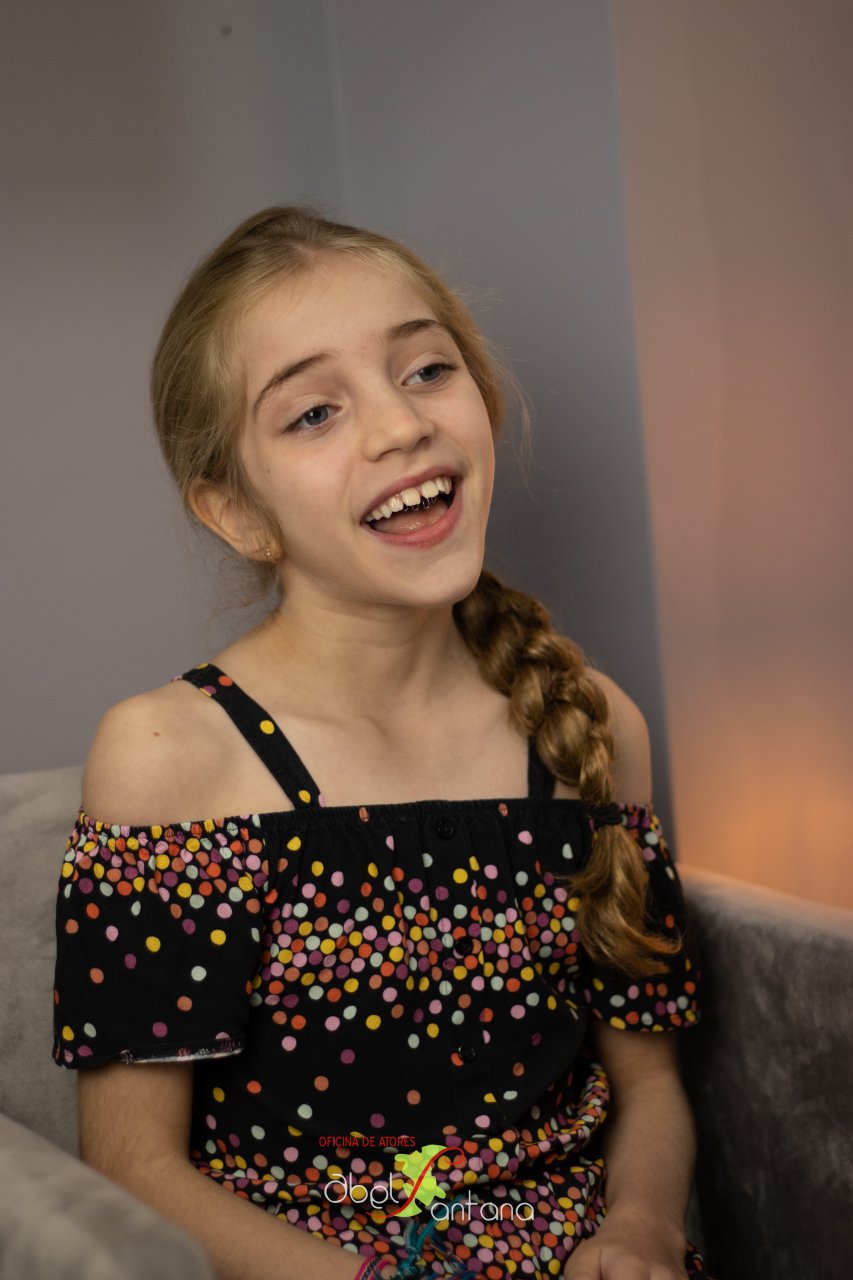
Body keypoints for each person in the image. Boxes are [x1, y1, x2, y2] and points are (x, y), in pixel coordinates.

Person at [52, 207, 709, 1280]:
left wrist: (637, 1229)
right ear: (237, 510)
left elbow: (650, 1088)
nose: (400, 426)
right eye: (314, 412)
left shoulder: (590, 725)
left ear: (483, 402)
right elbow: (134, 1166)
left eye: (426, 371)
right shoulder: (170, 755)